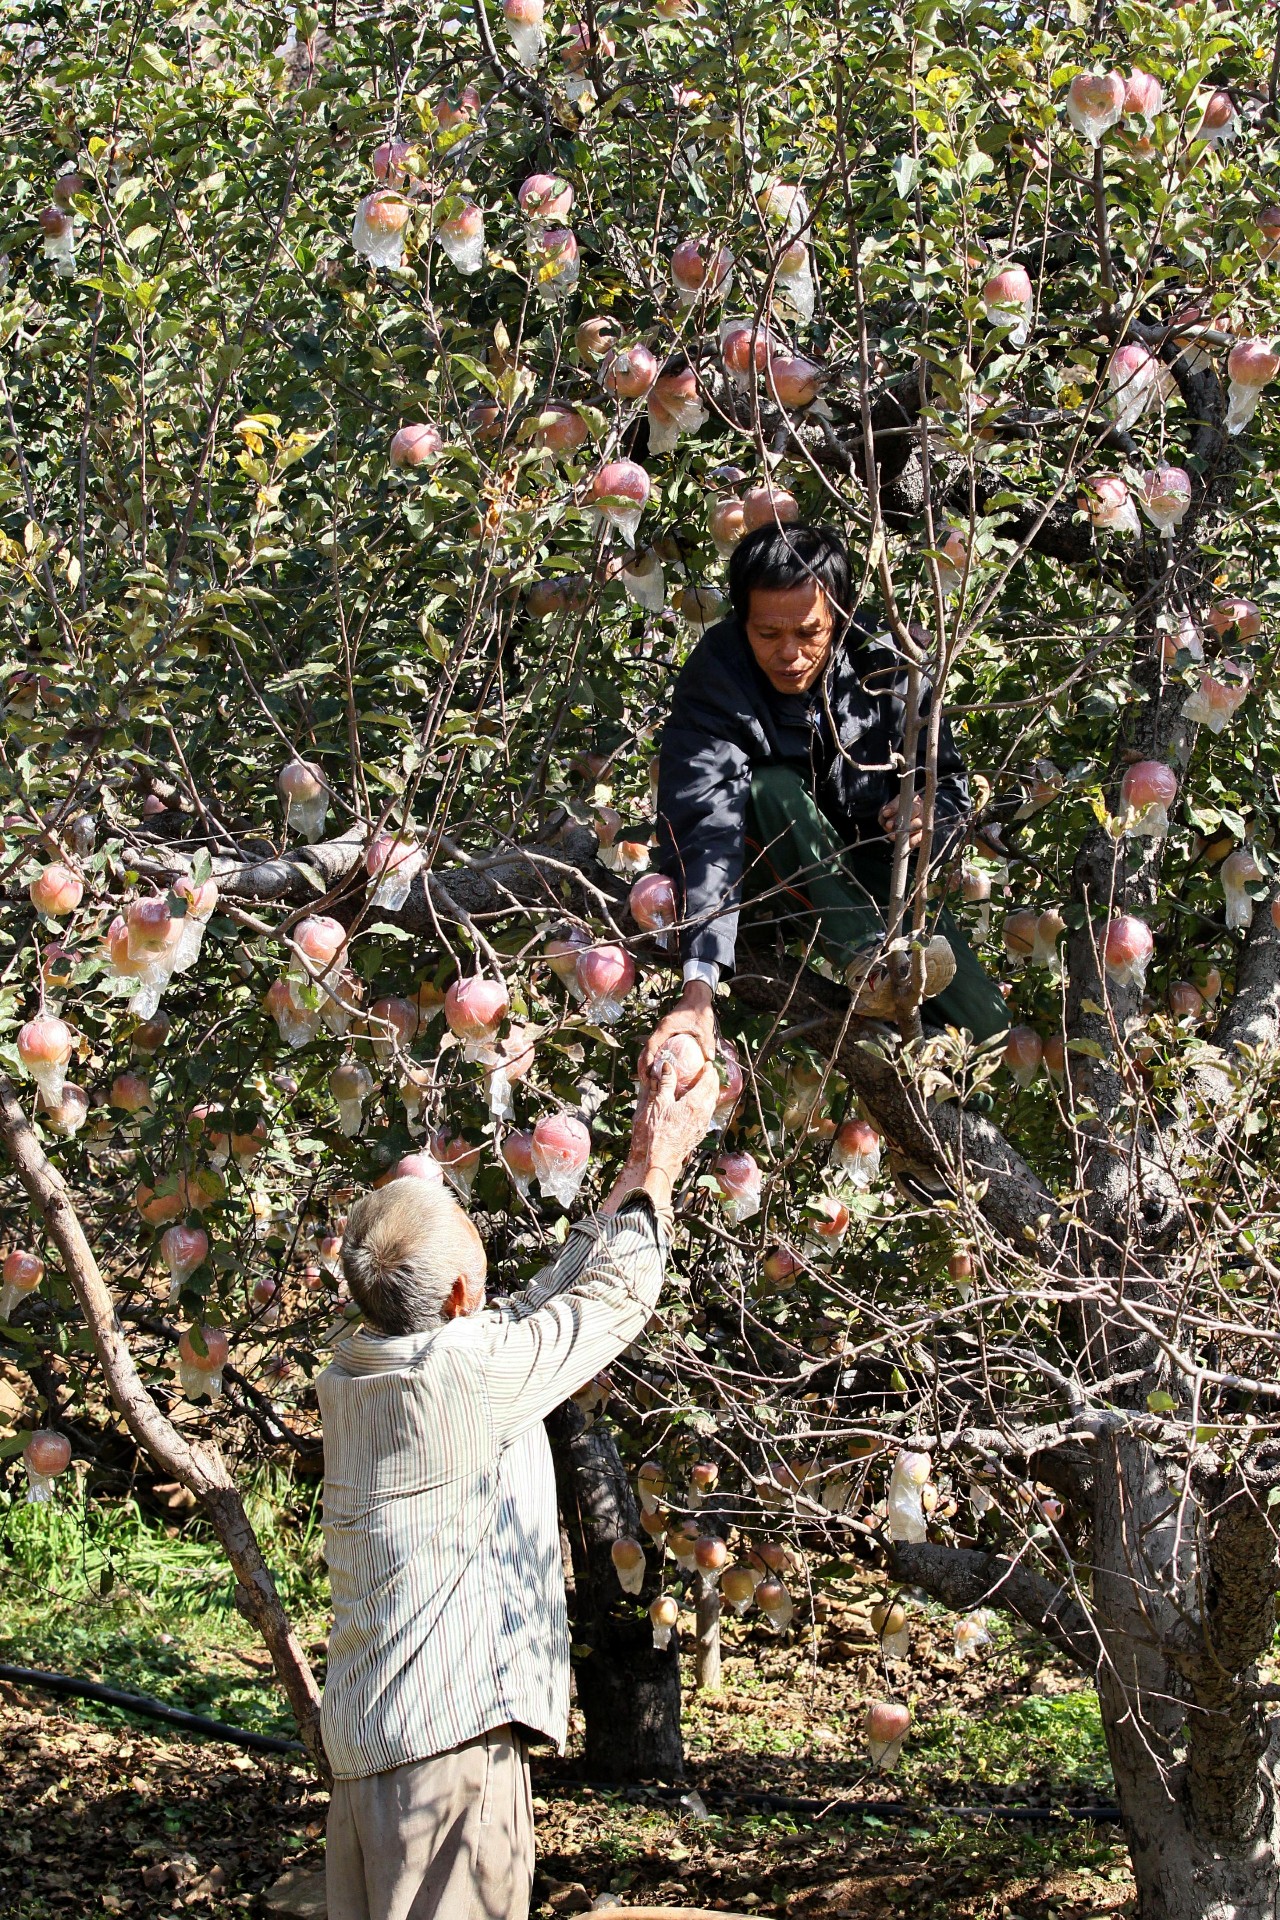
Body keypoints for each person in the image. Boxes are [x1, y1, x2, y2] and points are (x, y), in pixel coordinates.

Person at [317, 1054, 719, 1920]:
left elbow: (530, 1312)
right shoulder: (464, 1380)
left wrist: (632, 1173)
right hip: (446, 1756)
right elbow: (612, 1300)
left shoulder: (355, 1368)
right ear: (461, 1294)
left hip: (372, 1743)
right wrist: (664, 1154)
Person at [644, 522, 1008, 1071]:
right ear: (742, 621)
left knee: (987, 1037)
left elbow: (948, 782)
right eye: (768, 635)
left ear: (837, 616)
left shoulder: (887, 662)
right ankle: (871, 960)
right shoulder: (716, 678)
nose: (789, 654)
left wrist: (930, 815)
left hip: (869, 866)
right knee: (771, 787)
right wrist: (699, 986)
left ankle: (919, 1054)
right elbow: (706, 824)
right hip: (759, 873)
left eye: (809, 632)